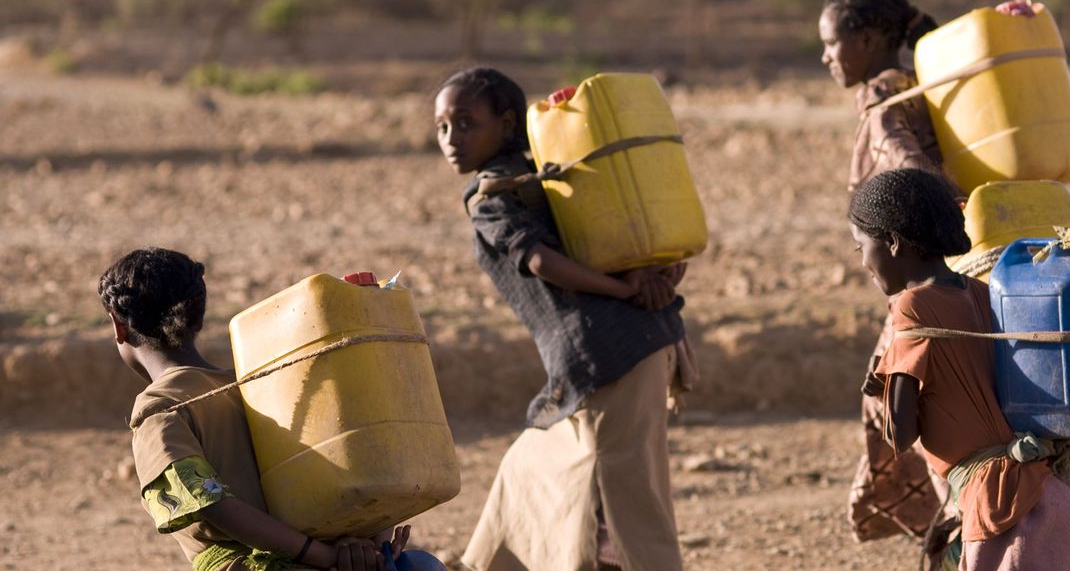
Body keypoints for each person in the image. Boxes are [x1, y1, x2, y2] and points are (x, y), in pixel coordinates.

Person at [433, 67, 691, 571]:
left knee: (628, 496)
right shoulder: (554, 176)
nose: (451, 139)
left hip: (607, 353)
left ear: (507, 125)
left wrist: (627, 288)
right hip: (634, 346)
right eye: (443, 127)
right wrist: (645, 284)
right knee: (533, 467)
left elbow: (539, 261)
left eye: (466, 123)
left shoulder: (496, 196)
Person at [100, 247, 414, 571]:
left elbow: (212, 505)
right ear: (198, 316)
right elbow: (359, 459)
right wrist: (364, 545)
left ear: (118, 326)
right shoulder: (263, 383)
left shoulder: (159, 413)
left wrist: (323, 557)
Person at [849, 169, 1070, 571]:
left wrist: (889, 379)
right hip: (1052, 491)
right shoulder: (984, 292)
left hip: (1003, 505)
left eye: (861, 246)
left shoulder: (912, 306)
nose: (862, 262)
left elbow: (901, 434)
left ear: (893, 243)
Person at [819, 0, 952, 548]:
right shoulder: (918, 83)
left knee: (903, 409)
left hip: (931, 282)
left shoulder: (882, 102)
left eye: (831, 43)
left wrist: (937, 203)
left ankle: (954, 529)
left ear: (869, 39)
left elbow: (910, 168)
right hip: (961, 273)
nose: (825, 56)